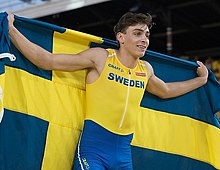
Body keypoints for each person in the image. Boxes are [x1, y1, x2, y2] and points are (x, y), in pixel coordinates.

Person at [7, 12, 208, 170]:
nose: (144, 40)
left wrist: (201, 80)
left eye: (146, 35)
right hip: (93, 152)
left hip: (123, 156)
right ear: (121, 37)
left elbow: (164, 90)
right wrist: (11, 30)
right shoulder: (101, 58)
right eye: (137, 33)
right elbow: (47, 61)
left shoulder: (145, 69)